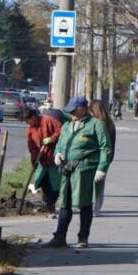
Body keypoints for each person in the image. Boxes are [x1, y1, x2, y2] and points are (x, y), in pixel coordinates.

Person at [46, 97, 113, 248]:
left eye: (74, 111)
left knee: (84, 204)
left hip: (85, 170)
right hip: (67, 169)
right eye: (70, 111)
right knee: (65, 203)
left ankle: (83, 238)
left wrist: (102, 168)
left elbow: (105, 147)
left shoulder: (96, 125)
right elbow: (60, 144)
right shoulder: (67, 126)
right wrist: (57, 154)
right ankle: (60, 237)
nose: (72, 114)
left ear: (83, 109)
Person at [24, 108, 63, 211]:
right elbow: (31, 146)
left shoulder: (48, 120)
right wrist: (34, 159)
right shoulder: (30, 129)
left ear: (33, 117)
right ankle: (47, 204)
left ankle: (51, 204)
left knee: (54, 184)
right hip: (42, 160)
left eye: (29, 120)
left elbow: (61, 129)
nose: (29, 123)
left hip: (53, 158)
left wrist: (52, 138)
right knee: (43, 182)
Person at [89, 100, 117, 214]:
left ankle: (89, 206)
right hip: (106, 158)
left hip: (94, 157)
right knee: (100, 184)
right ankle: (97, 208)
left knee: (89, 183)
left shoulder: (95, 124)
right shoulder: (110, 124)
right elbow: (112, 144)